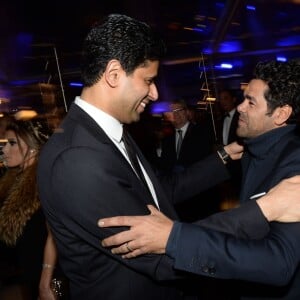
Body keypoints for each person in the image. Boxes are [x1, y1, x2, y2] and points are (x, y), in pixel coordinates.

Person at [37, 13, 265, 300]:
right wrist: (261, 213)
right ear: (114, 74)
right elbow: (159, 257)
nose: (155, 94)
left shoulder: (105, 133)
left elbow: (161, 191)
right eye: (148, 80)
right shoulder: (80, 159)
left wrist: (222, 156)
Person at [99, 59, 300, 298]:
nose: (240, 108)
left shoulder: (294, 163)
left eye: (250, 102)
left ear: (281, 114)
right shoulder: (254, 149)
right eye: (243, 98)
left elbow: (278, 264)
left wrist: (174, 238)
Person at [0, 118, 59, 300]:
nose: (4, 149)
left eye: (12, 143)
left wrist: (45, 281)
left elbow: (54, 235)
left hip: (46, 274)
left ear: (33, 148)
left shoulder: (44, 181)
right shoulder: (13, 178)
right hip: (26, 273)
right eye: (5, 143)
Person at [159, 98, 217, 221]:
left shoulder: (202, 133)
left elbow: (205, 162)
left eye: (179, 110)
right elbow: (165, 166)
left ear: (186, 112)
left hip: (199, 194)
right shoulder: (167, 140)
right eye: (172, 112)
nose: (176, 114)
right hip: (177, 198)